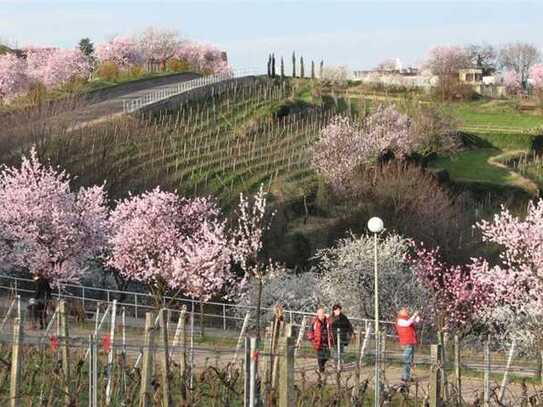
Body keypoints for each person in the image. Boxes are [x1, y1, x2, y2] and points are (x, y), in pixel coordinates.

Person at [395, 308, 420, 382]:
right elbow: (408, 323)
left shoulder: (407, 319)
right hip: (406, 342)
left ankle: (406, 376)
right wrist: (414, 315)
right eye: (405, 311)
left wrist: (416, 316)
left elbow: (416, 321)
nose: (407, 312)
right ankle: (406, 377)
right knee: (407, 360)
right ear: (401, 313)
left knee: (409, 360)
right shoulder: (400, 320)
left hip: (410, 342)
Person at [307, 308, 334, 373]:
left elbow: (333, 327)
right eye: (320, 314)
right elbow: (310, 332)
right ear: (318, 314)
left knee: (327, 356)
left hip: (327, 342)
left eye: (322, 314)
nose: (321, 315)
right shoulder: (314, 322)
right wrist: (312, 340)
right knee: (320, 357)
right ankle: (321, 371)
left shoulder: (328, 321)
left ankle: (321, 368)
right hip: (318, 342)